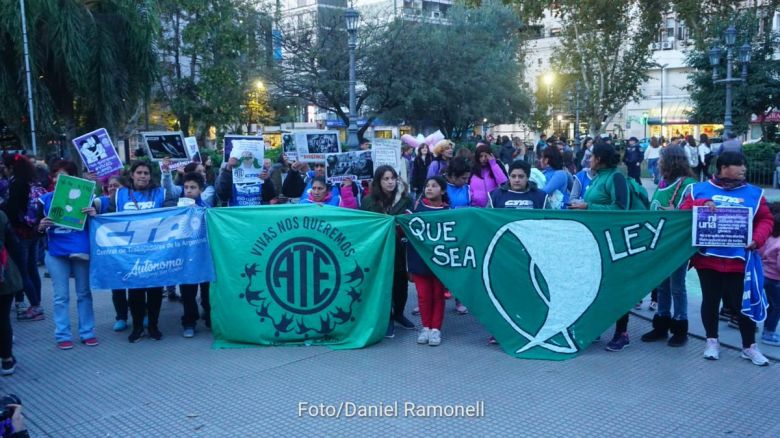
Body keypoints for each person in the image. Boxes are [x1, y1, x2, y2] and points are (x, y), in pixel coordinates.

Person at [680, 152, 773, 366]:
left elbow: (765, 219)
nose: (744, 169)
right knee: (711, 301)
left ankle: (749, 347)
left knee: (743, 304)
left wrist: (757, 239)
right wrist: (703, 203)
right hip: (707, 259)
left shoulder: (755, 194)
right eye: (738, 165)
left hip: (739, 261)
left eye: (744, 166)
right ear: (723, 167)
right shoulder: (698, 190)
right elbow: (682, 213)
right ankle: (712, 341)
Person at [569, 142, 633, 352]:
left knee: (615, 287)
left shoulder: (615, 177)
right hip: (594, 240)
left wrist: (588, 206)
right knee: (594, 284)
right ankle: (595, 327)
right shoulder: (597, 179)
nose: (588, 160)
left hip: (612, 241)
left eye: (592, 156)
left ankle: (621, 333)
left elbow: (621, 208)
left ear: (601, 159)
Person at [108, 161, 178, 343]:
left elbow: (173, 213)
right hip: (129, 252)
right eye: (139, 172)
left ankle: (153, 326)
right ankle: (137, 327)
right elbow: (108, 216)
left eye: (146, 173)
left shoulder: (160, 193)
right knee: (135, 292)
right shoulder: (120, 195)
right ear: (132, 175)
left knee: (155, 291)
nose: (143, 176)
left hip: (155, 251)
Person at [37, 160, 99, 350]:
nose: (59, 179)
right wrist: (41, 226)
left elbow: (97, 225)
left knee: (84, 293)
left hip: (80, 251)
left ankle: (87, 332)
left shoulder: (87, 197)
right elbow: (33, 226)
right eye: (56, 175)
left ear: (73, 177)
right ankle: (62, 334)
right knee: (60, 296)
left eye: (64, 175)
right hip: (55, 252)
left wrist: (94, 214)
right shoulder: (45, 199)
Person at [640, 146, 697, 347]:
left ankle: (680, 325)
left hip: (676, 244)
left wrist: (677, 212)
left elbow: (692, 210)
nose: (658, 163)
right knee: (662, 284)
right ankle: (662, 323)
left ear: (671, 161)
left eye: (662, 159)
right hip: (660, 241)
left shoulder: (688, 184)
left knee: (677, 286)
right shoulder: (663, 182)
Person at [361, 165, 414, 338]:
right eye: (386, 179)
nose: (390, 182)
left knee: (401, 284)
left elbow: (412, 221)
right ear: (378, 181)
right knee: (384, 284)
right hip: (380, 250)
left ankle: (398, 314)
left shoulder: (405, 199)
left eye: (393, 178)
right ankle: (387, 318)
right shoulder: (369, 201)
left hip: (400, 249)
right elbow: (364, 225)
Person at [406, 176, 450, 346]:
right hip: (419, 260)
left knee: (438, 296)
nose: (429, 189)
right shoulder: (415, 208)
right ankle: (425, 327)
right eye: (427, 186)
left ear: (443, 190)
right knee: (424, 296)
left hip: (440, 262)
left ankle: (436, 329)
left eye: (434, 186)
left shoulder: (449, 211)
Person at [2, 155, 45, 322]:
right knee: (32, 269)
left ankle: (35, 306)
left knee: (22, 271)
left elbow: (13, 209)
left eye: (5, 167)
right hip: (34, 230)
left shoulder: (16, 183)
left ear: (11, 167)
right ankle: (37, 303)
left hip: (21, 232)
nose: (4, 170)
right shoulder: (32, 181)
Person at [94, 175, 131, 332]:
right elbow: (89, 203)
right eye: (110, 186)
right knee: (117, 285)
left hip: (132, 249)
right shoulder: (103, 202)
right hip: (114, 250)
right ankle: (121, 317)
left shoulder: (130, 202)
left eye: (116, 186)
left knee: (137, 284)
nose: (112, 188)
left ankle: (142, 313)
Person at [177, 172, 211, 338]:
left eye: (193, 187)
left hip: (204, 257)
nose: (189, 191)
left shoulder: (207, 209)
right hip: (185, 257)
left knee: (207, 292)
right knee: (188, 292)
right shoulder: (176, 209)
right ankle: (189, 322)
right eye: (186, 187)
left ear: (201, 190)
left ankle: (210, 319)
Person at [0, 210, 23, 375]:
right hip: (4, 276)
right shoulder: (1, 215)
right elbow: (14, 244)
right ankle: (7, 360)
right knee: (2, 319)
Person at [758, 207, 780, 347]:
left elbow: (759, 253)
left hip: (764, 275)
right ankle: (768, 333)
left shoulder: (769, 238)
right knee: (778, 307)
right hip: (776, 280)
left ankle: (767, 330)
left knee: (771, 305)